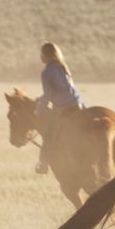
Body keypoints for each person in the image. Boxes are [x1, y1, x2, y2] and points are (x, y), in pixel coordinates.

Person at [34, 41, 83, 175]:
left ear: (45, 56)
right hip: (78, 105)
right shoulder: (63, 67)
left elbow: (49, 95)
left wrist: (39, 110)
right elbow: (71, 90)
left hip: (64, 108)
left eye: (41, 54)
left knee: (48, 133)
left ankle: (43, 164)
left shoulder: (47, 72)